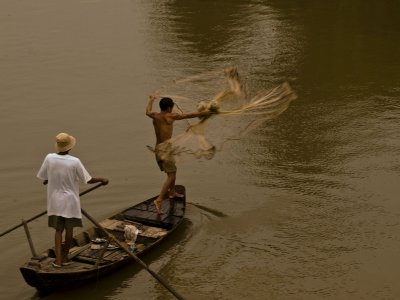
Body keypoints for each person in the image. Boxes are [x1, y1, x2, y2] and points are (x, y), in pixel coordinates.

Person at [37, 132, 109, 268]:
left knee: (58, 230)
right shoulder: (74, 161)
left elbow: (44, 177)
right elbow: (88, 179)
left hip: (54, 201)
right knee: (69, 229)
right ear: (70, 147)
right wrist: (102, 179)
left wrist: (50, 180)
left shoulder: (49, 158)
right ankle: (64, 258)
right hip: (70, 201)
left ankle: (57, 261)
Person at [146, 95, 212, 214]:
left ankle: (172, 192)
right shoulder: (170, 116)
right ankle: (159, 199)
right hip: (165, 152)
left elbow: (147, 111)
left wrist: (151, 99)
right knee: (171, 176)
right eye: (172, 107)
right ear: (169, 108)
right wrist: (203, 113)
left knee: (173, 172)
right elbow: (186, 115)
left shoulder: (154, 115)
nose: (172, 109)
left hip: (158, 150)